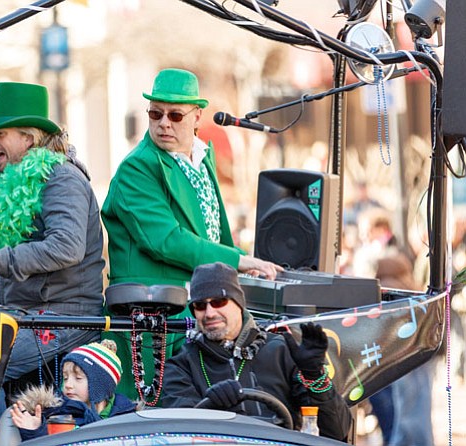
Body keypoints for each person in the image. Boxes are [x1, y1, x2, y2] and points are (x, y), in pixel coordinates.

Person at [101, 68, 282, 401]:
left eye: (175, 115)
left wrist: (236, 271)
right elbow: (166, 240)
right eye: (155, 114)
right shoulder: (136, 168)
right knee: (159, 416)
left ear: (197, 116)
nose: (163, 122)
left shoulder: (201, 158)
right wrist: (238, 261)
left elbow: (212, 234)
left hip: (193, 315)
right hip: (154, 323)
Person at [0, 82, 105, 416]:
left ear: (29, 138)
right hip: (25, 314)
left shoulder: (62, 179)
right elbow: (13, 249)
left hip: (65, 317)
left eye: (0, 133)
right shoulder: (21, 178)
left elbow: (65, 247)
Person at [161, 262, 352, 442]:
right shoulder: (182, 365)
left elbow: (336, 431)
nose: (209, 313)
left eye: (219, 302)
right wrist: (211, 407)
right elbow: (180, 434)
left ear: (239, 303)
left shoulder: (281, 349)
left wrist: (314, 375)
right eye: (200, 305)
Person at [353, 208, 435, 446]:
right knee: (407, 411)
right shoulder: (399, 270)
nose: (365, 237)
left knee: (403, 413)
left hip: (398, 350)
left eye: (368, 232)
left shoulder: (387, 274)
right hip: (405, 348)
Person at [0, 340, 137, 445]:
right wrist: (36, 432)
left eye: (78, 378)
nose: (68, 385)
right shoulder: (55, 414)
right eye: (65, 378)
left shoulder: (126, 417)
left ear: (101, 385)